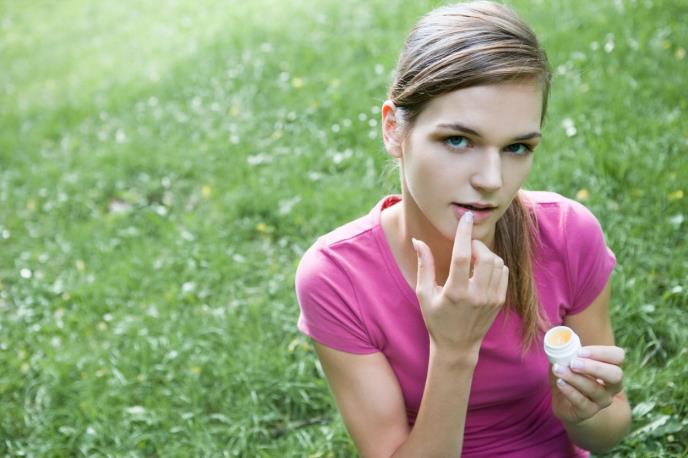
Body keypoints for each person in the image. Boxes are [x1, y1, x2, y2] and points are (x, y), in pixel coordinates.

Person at [294, 1, 632, 456]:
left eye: (516, 147)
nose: (492, 180)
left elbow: (609, 432)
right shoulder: (338, 277)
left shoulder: (567, 235)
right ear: (393, 130)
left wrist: (585, 415)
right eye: (458, 140)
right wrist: (454, 351)